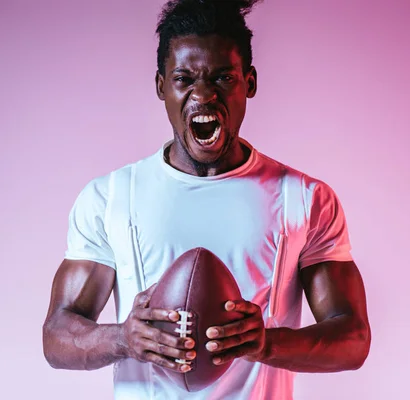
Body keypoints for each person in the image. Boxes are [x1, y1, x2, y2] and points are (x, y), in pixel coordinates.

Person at [42, 0, 371, 398]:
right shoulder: (110, 197)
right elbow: (56, 336)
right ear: (161, 85)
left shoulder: (304, 198)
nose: (203, 94)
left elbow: (352, 339)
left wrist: (267, 342)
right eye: (184, 78)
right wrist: (124, 339)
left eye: (222, 79)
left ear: (248, 82)